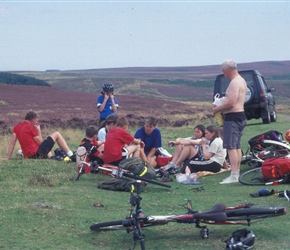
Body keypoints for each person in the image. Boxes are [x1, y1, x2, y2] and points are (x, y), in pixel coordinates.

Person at [212, 60, 247, 184]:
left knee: (231, 147)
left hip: (233, 117)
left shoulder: (234, 83)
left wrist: (217, 108)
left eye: (223, 71)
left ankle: (234, 175)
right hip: (240, 115)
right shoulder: (242, 80)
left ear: (227, 69)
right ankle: (235, 172)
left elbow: (231, 102)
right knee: (236, 146)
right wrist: (223, 100)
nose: (224, 74)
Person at [3, 111, 74, 160]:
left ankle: (50, 157)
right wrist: (39, 131)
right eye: (37, 121)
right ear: (33, 120)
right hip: (36, 155)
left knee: (46, 144)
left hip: (28, 156)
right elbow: (40, 143)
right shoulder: (30, 127)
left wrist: (7, 157)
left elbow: (12, 143)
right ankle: (71, 155)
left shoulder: (16, 127)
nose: (37, 123)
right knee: (57, 134)